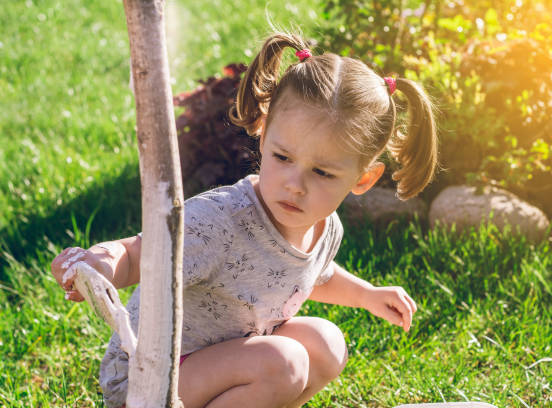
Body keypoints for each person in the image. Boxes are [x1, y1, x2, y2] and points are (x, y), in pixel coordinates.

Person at [51, 31, 438, 408]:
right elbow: (141, 255)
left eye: (322, 173)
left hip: (222, 363)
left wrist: (367, 295)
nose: (295, 185)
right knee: (284, 363)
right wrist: (100, 262)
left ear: (363, 178)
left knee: (326, 344)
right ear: (264, 133)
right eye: (283, 158)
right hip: (149, 379)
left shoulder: (324, 227)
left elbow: (309, 273)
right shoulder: (222, 220)